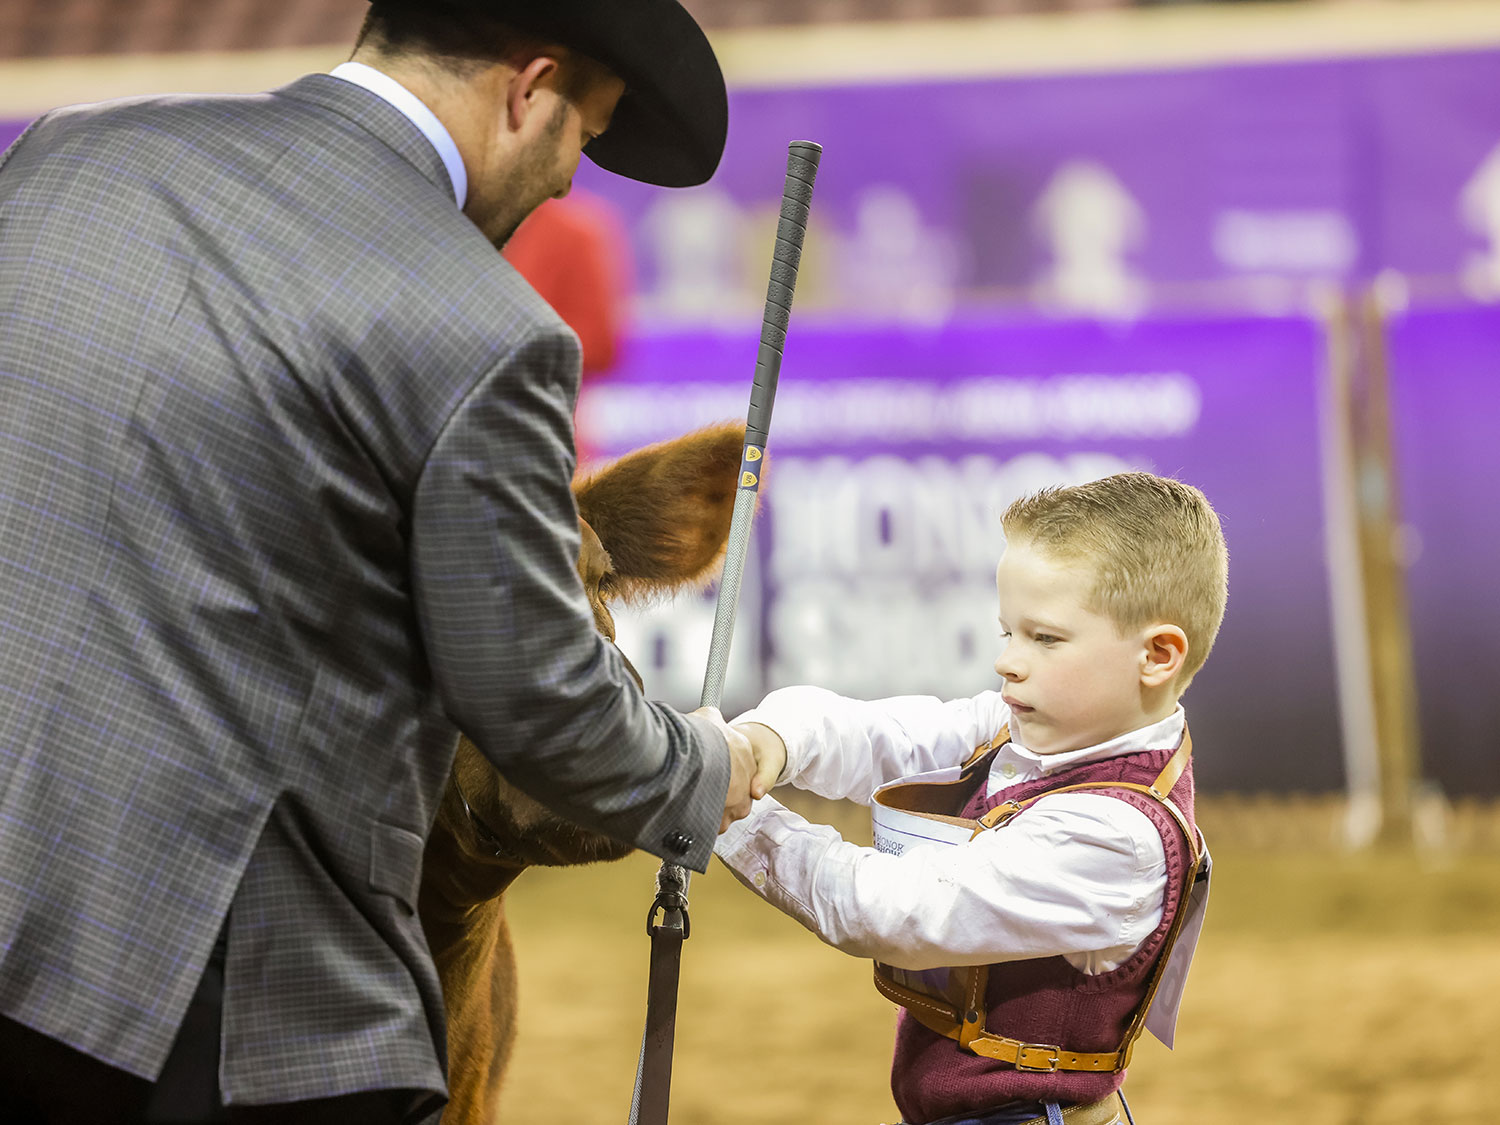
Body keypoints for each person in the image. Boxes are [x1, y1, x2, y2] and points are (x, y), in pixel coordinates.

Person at [0, 2, 768, 1122]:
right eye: (583, 136)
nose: (565, 183)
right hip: (211, 999)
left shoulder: (68, 161)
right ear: (529, 88)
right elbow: (536, 693)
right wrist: (695, 770)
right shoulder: (477, 323)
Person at [719, 472, 1229, 1125]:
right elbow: (878, 735)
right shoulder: (1023, 730)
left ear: (1157, 654)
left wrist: (728, 812)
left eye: (1044, 637)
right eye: (1006, 632)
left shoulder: (1118, 834)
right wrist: (759, 742)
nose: (1009, 661)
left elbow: (890, 909)